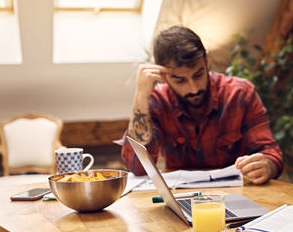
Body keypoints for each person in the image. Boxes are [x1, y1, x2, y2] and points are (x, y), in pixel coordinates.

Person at [119, 25, 283, 184]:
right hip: (181, 199)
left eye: (198, 74)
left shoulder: (240, 93)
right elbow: (138, 168)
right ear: (163, 76)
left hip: (238, 196)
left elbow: (271, 153)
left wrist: (267, 166)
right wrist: (140, 97)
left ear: (206, 60)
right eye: (180, 80)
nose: (194, 88)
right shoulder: (157, 102)